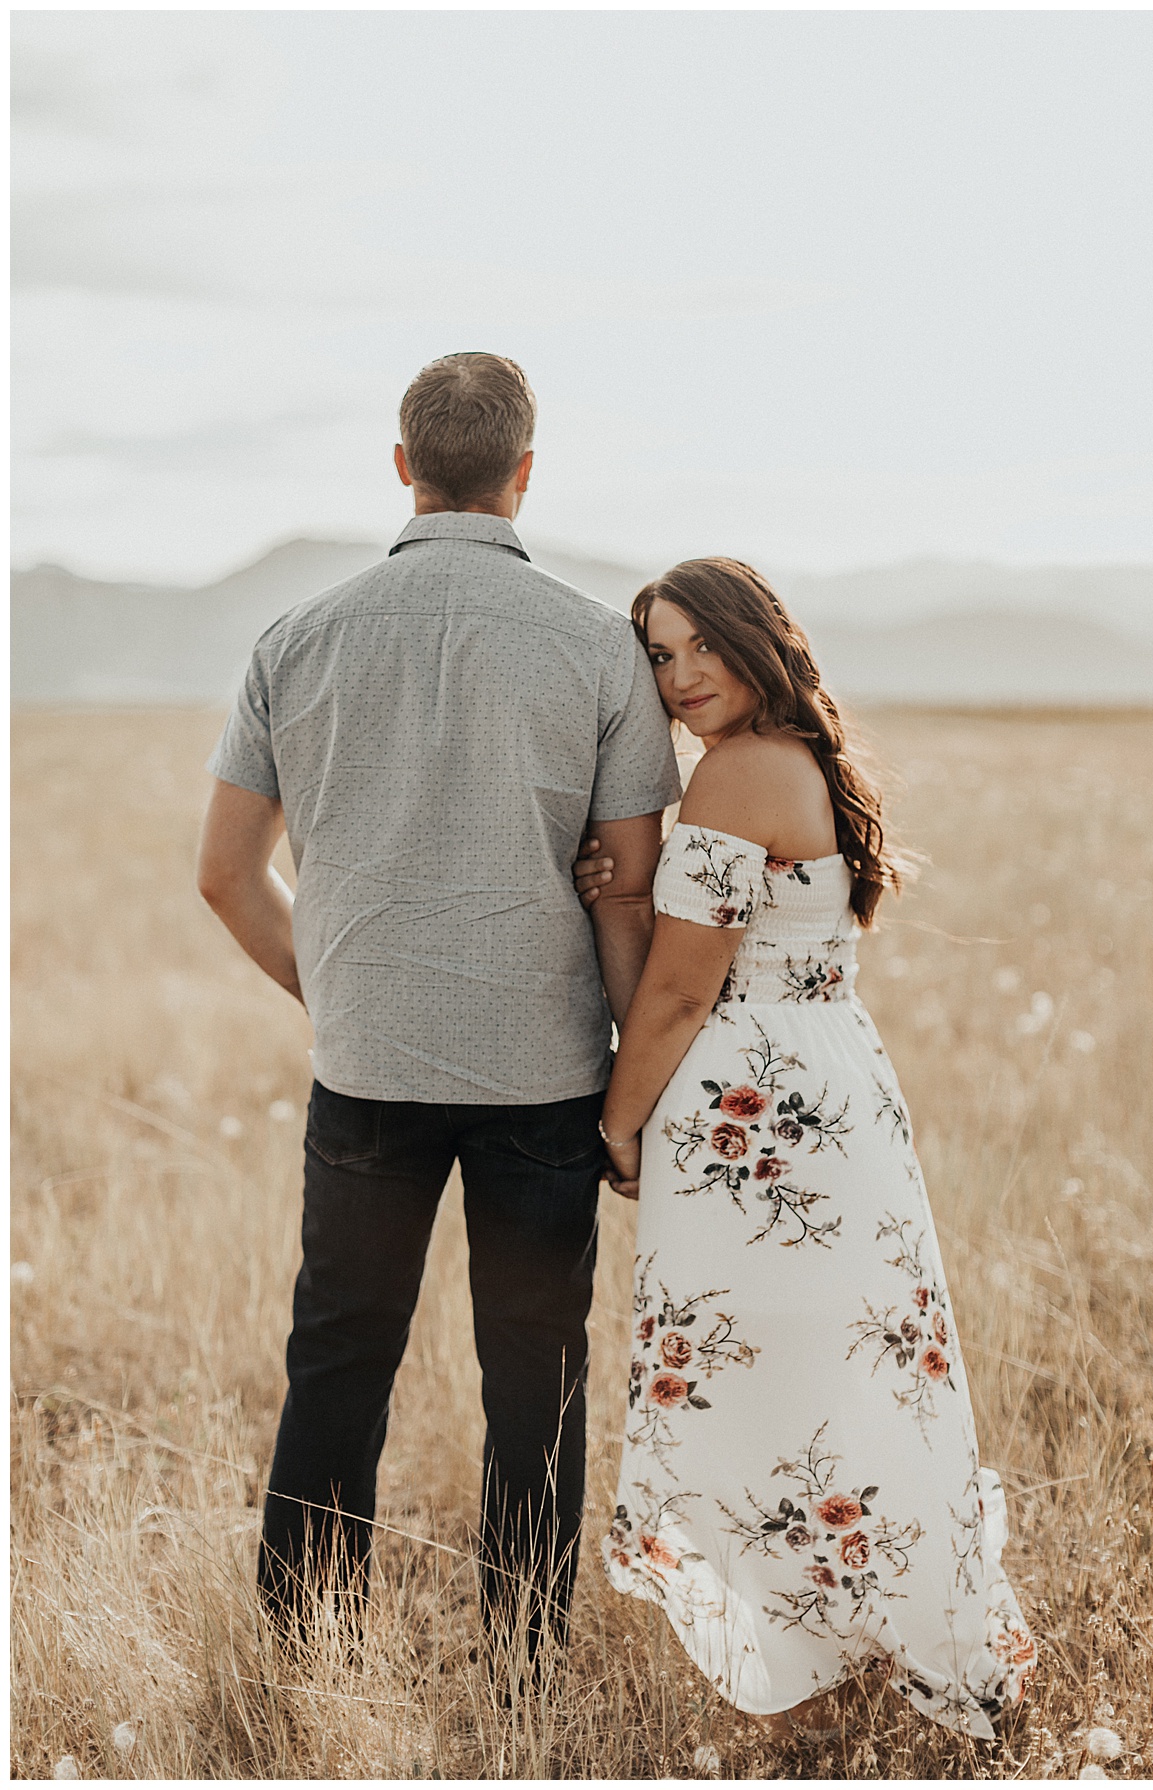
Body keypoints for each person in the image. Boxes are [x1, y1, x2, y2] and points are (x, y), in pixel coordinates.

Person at [196, 352, 681, 1663]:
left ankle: (300, 1658)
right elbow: (628, 889)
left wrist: (337, 984)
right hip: (547, 1074)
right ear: (525, 473)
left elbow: (224, 874)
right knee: (536, 1371)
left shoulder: (294, 638)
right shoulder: (596, 647)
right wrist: (639, 1089)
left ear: (402, 465)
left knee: (339, 1358)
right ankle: (525, 1671)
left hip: (366, 1065)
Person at [572, 558, 1036, 1738]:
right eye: (660, 657)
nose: (680, 678)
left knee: (760, 1376)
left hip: (757, 1114)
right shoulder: (807, 758)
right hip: (829, 1087)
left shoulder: (735, 771)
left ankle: (818, 1671)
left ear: (753, 636)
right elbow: (688, 952)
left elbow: (679, 995)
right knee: (847, 1370)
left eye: (698, 646)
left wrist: (617, 1123)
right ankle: (858, 1647)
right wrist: (620, 902)